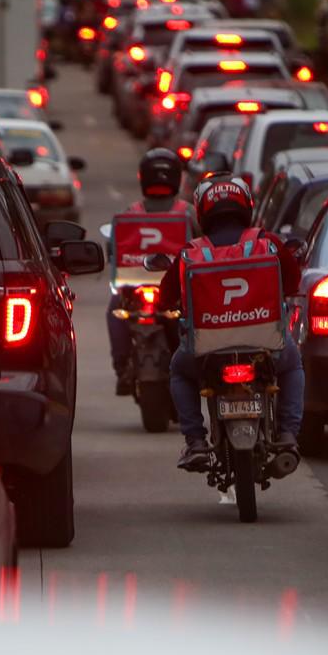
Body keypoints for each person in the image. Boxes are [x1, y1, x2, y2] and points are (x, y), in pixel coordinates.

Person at [158, 177, 304, 470]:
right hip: (268, 347)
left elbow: (165, 298)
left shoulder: (191, 251)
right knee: (293, 365)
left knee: (178, 370)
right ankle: (288, 434)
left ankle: (196, 442)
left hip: (205, 353)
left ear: (202, 212)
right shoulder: (268, 243)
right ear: (246, 207)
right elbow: (293, 282)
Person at [107, 149, 197, 395]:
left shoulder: (130, 212)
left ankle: (122, 368)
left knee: (114, 312)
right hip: (176, 289)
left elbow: (112, 247)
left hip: (134, 288)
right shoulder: (188, 212)